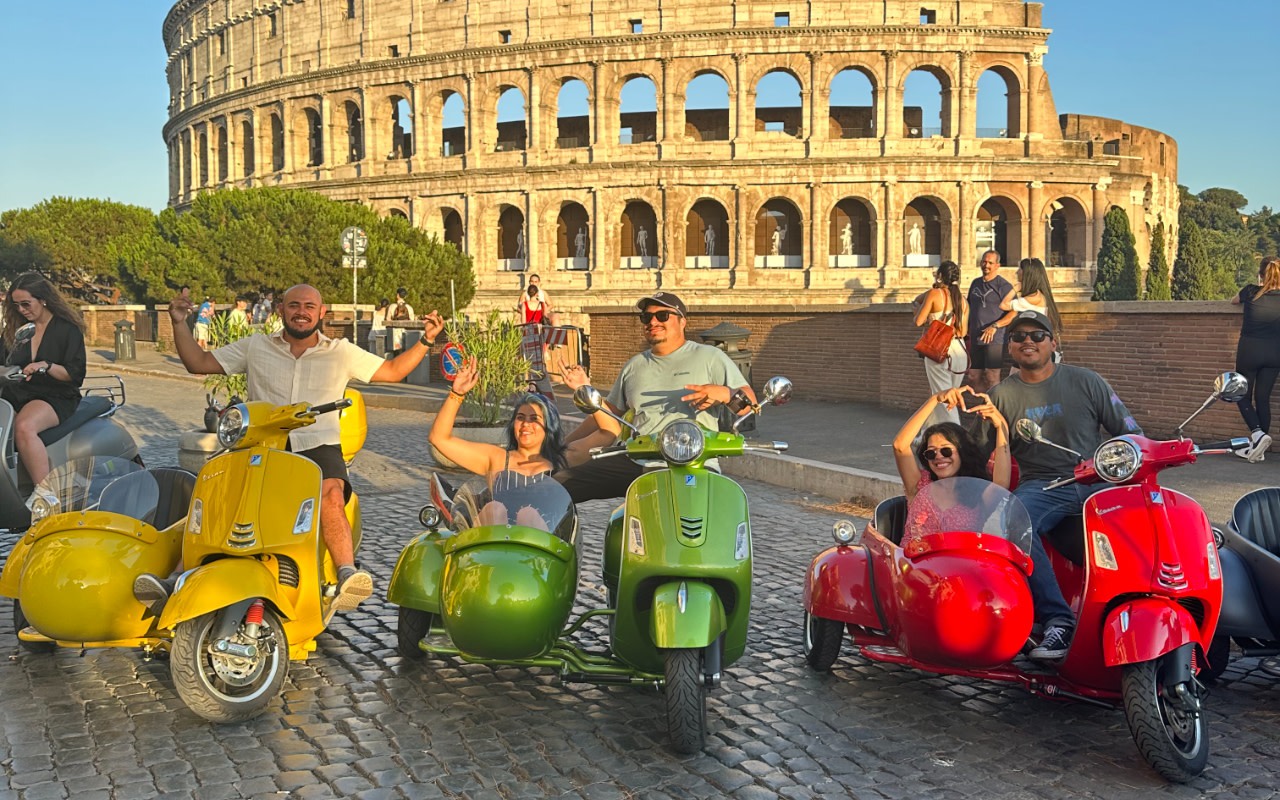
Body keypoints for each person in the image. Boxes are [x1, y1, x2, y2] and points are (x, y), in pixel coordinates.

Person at [141, 284, 447, 614]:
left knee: (331, 493)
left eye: (309, 306)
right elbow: (198, 362)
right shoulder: (256, 346)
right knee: (215, 491)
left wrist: (428, 340)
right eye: (294, 305)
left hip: (317, 444)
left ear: (321, 313)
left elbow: (392, 371)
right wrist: (177, 322)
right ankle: (179, 576)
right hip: (260, 444)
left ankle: (346, 572)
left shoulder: (340, 351)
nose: (302, 311)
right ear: (281, 311)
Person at [986, 309, 1142, 661]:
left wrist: (1134, 457)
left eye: (1037, 335)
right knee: (1014, 521)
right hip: (1043, 485)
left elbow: (1131, 433)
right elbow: (973, 449)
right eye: (1020, 336)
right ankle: (1058, 620)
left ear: (1053, 343)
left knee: (1151, 521)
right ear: (1010, 347)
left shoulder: (1087, 381)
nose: (1029, 341)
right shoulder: (1000, 396)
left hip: (1098, 479)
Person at [556, 291, 755, 502]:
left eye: (662, 316)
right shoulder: (634, 366)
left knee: (694, 517)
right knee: (556, 487)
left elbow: (749, 403)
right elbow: (608, 415)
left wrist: (725, 393)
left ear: (682, 321)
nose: (653, 321)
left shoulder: (710, 357)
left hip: (693, 461)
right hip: (638, 460)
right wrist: (559, 444)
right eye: (646, 317)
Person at [429, 357, 568, 527]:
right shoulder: (496, 458)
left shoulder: (563, 457)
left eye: (534, 419)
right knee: (494, 508)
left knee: (527, 515)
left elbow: (605, 434)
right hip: (495, 539)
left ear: (549, 425)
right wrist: (457, 394)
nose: (526, 424)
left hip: (542, 544)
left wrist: (583, 388)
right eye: (520, 418)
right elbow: (439, 438)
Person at [867, 387, 1011, 548]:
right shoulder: (919, 485)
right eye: (931, 453)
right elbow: (900, 446)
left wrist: (1001, 426)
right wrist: (935, 399)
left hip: (958, 566)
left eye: (946, 450)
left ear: (962, 451)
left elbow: (1001, 484)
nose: (939, 457)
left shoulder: (977, 491)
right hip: (913, 567)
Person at [1, 273, 88, 486]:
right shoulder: (15, 331)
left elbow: (74, 375)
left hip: (54, 394)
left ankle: (46, 494)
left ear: (43, 299)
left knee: (24, 426)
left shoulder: (67, 330)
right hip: (17, 392)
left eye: (26, 304)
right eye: (16, 305)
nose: (21, 310)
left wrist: (46, 366)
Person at [1230, 255, 1280, 461]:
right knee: (1262, 398)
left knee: (1241, 394)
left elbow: (1233, 301)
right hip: (1275, 353)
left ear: (1260, 274)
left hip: (1250, 351)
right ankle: (1258, 450)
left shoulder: (1250, 291)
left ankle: (1258, 435)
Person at [914, 261, 969, 426]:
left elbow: (918, 321)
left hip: (939, 349)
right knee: (944, 397)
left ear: (940, 276)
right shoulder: (963, 300)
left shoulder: (934, 294)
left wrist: (924, 313)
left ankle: (957, 439)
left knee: (944, 399)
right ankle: (927, 433)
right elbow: (963, 332)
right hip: (959, 350)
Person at [990, 258, 1063, 372]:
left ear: (1027, 273)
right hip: (1033, 343)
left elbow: (1004, 305)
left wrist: (1016, 288)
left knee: (1018, 381)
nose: (1017, 272)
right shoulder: (1037, 295)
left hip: (1034, 345)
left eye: (1020, 269)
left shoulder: (1034, 297)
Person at [965, 250, 1013, 393]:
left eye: (990, 263)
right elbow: (969, 307)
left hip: (995, 339)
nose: (986, 265)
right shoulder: (975, 283)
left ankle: (994, 411)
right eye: (984, 262)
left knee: (992, 376)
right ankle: (985, 405)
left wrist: (995, 326)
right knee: (973, 377)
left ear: (997, 265)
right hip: (976, 337)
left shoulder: (1003, 286)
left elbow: (1014, 311)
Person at [388, 287, 415, 354]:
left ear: (397, 295)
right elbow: (412, 320)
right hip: (406, 333)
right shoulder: (409, 308)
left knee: (396, 354)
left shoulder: (392, 306)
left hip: (395, 333)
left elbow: (388, 319)